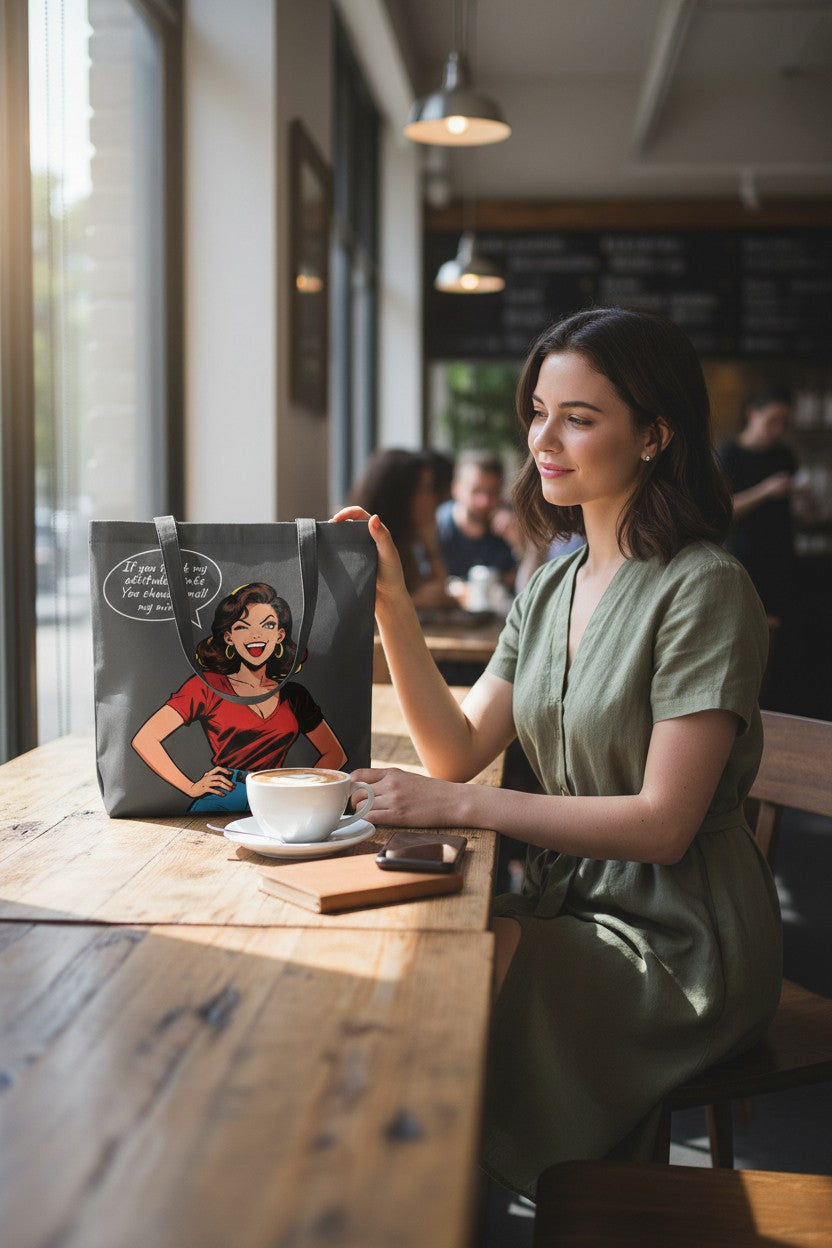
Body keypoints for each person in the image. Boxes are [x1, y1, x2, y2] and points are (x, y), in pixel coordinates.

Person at [333, 307, 782, 1200]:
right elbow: (456, 750)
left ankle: (425, 1198)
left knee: (448, 983)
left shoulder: (706, 588)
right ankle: (407, 1194)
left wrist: (451, 806)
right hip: (575, 907)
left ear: (655, 434)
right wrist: (391, 606)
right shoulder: (553, 581)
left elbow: (661, 827)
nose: (544, 439)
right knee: (423, 963)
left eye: (579, 417)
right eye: (538, 410)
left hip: (683, 943)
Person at [132, 582, 346, 812]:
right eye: (243, 627)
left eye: (268, 625)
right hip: (224, 797)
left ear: (279, 636)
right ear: (229, 637)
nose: (256, 634)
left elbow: (335, 754)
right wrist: (190, 787)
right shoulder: (208, 686)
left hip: (275, 799)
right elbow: (145, 739)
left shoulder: (294, 696)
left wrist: (299, 791)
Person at [718, 386, 798, 618]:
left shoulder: (784, 455)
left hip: (782, 555)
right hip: (744, 556)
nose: (778, 430)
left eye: (784, 423)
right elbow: (722, 510)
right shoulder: (728, 455)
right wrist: (765, 490)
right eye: (773, 421)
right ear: (752, 413)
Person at [348, 447, 455, 610]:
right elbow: (360, 611)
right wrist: (416, 601)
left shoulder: (406, 541)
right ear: (398, 495)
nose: (432, 499)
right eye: (423, 490)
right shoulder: (366, 545)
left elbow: (438, 592)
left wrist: (430, 544)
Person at [436, 449, 519, 587]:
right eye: (476, 491)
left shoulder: (510, 527)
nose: (484, 501)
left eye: (492, 492)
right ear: (456, 489)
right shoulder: (437, 526)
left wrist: (519, 545)